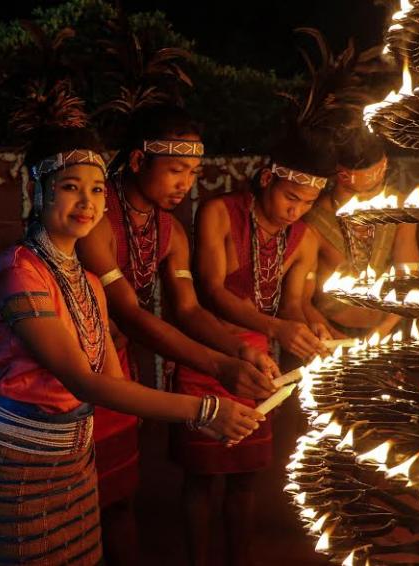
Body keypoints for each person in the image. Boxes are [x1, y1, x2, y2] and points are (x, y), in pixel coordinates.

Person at [0, 118, 264, 566]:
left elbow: (114, 381)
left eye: (97, 189)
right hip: (20, 463)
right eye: (70, 187)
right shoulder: (18, 274)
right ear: (39, 191)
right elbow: (86, 383)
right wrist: (203, 409)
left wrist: (213, 404)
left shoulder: (87, 281)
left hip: (74, 459)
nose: (87, 202)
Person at [76, 105, 279, 564]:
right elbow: (127, 312)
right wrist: (218, 365)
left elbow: (187, 308)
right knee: (80, 503)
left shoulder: (169, 230)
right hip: (69, 372)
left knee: (121, 496)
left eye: (192, 171)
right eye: (175, 170)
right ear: (136, 162)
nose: (185, 183)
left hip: (117, 366)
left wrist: (240, 351)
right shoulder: (95, 213)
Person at [174, 128, 333, 566]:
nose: (295, 210)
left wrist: (313, 329)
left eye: (306, 203)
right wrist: (279, 328)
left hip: (259, 365)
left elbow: (296, 304)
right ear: (267, 177)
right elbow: (210, 291)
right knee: (201, 476)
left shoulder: (305, 237)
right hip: (205, 351)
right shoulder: (218, 213)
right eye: (290, 197)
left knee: (246, 477)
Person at [303, 127, 419, 338]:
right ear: (340, 175)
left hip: (388, 329)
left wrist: (381, 331)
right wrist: (336, 341)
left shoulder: (400, 209)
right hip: (330, 333)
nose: (366, 200)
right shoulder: (313, 219)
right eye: (354, 193)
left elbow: (409, 277)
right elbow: (300, 299)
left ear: (384, 165)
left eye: (374, 190)